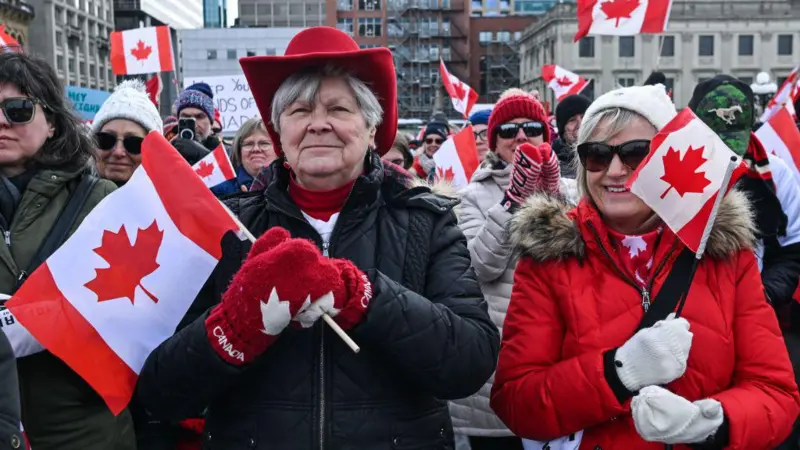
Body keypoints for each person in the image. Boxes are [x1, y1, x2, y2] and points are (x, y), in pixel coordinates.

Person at [136, 26, 499, 449]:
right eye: (299, 110)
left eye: (339, 109)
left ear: (370, 129)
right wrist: (234, 325)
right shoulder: (225, 229)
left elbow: (470, 363)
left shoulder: (427, 220)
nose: (318, 124)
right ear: (279, 133)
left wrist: (364, 296)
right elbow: (162, 392)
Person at [490, 84, 800, 449]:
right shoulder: (549, 257)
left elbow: (776, 392)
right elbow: (516, 401)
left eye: (637, 153)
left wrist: (713, 421)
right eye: (597, 155)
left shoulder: (726, 254)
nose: (615, 171)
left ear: (668, 158)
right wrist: (618, 372)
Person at [0, 52, 132, 449]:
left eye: (18, 109)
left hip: (81, 428)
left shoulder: (100, 201)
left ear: (53, 122)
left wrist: (44, 318)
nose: (2, 121)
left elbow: (134, 312)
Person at [451, 88, 577, 450]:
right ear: (494, 141)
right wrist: (512, 203)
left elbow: (589, 258)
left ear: (546, 134)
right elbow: (479, 266)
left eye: (532, 127)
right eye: (508, 130)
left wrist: (555, 200)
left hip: (561, 355)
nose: (521, 135)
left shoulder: (571, 189)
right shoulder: (471, 196)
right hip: (500, 361)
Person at [689, 75, 800, 449]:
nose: (727, 156)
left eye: (733, 143)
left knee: (758, 410)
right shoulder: (668, 171)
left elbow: (794, 246)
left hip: (756, 313)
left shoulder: (777, 175)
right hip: (686, 318)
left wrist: (765, 293)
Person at [91, 80, 163, 186]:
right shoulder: (69, 194)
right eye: (106, 140)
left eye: (134, 143)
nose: (118, 152)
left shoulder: (170, 201)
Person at [211, 118, 277, 196]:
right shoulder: (218, 189)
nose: (256, 149)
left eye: (264, 143)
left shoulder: (291, 183)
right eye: (249, 144)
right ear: (239, 151)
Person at [172, 83, 218, 165]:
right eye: (186, 117)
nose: (194, 125)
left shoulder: (228, 153)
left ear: (211, 123)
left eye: (200, 117)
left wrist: (204, 156)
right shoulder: (169, 150)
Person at [552, 94, 590, 178]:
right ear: (563, 130)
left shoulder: (607, 154)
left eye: (584, 117)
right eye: (572, 120)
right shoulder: (552, 166)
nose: (581, 124)